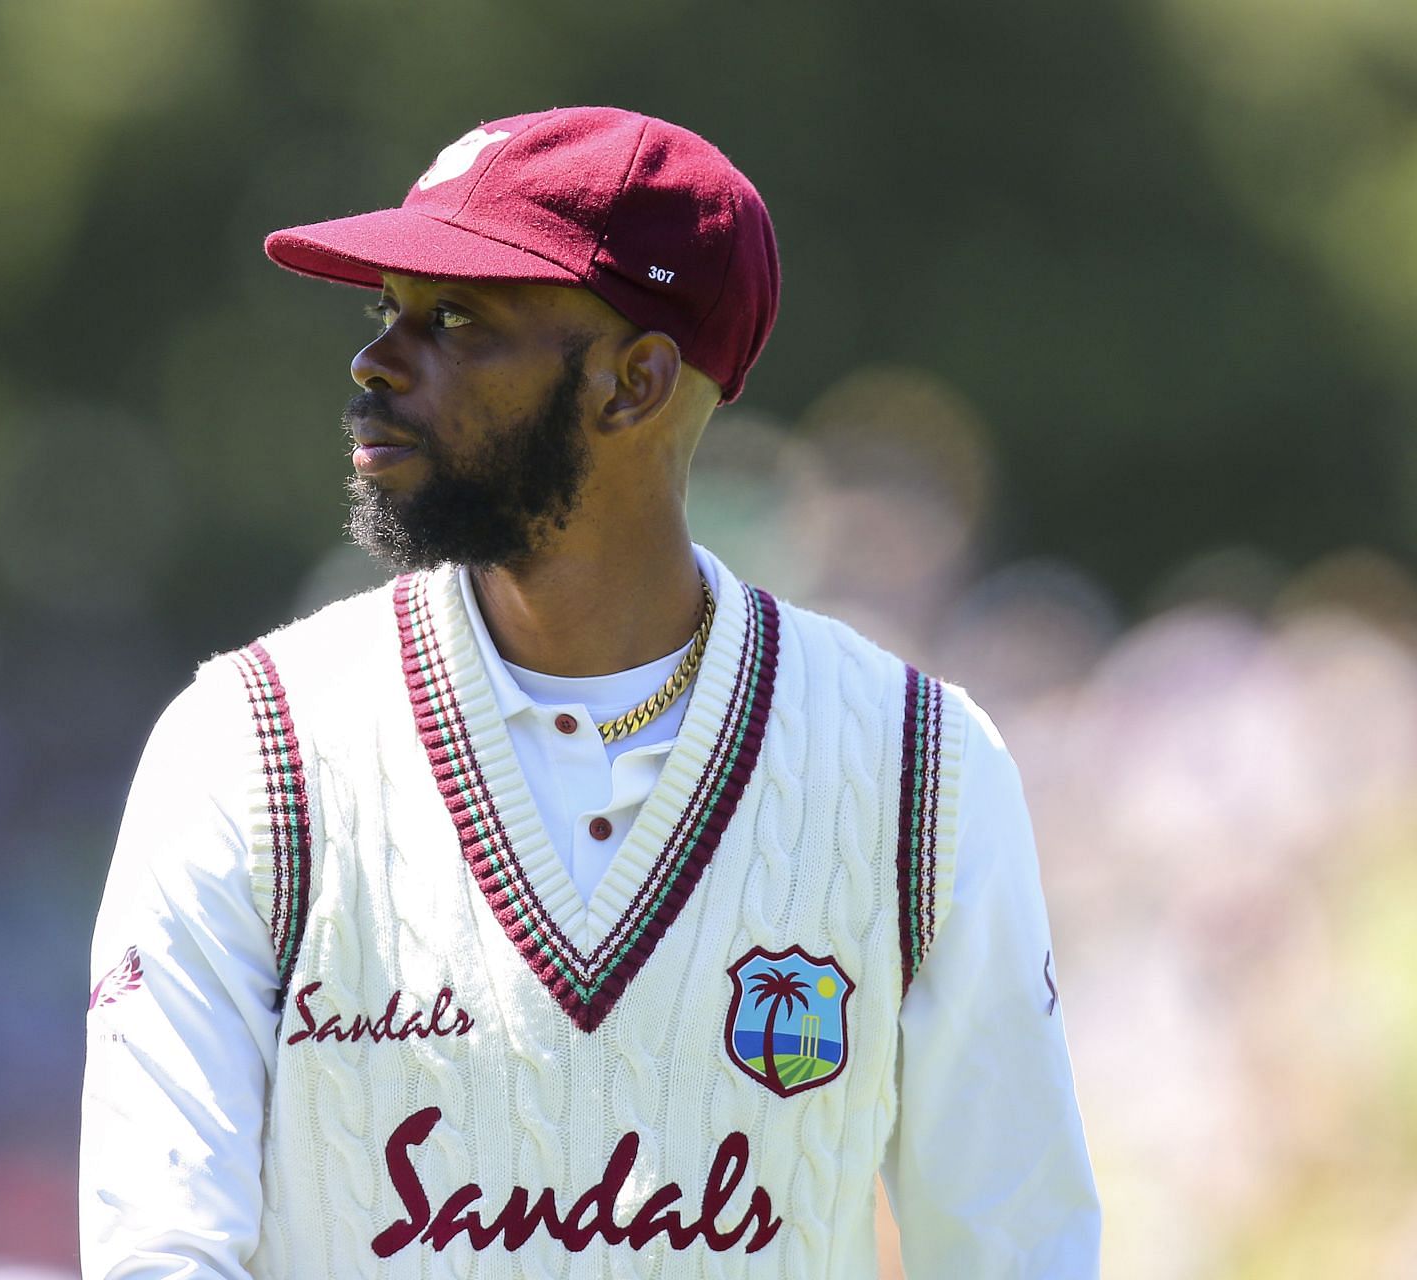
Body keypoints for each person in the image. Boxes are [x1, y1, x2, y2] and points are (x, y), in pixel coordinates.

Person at [80, 106, 1100, 1278]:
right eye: (386, 311)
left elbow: (1016, 1246)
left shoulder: (919, 766)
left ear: (636, 382)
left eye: (456, 317)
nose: (377, 358)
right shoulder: (247, 744)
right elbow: (159, 1246)